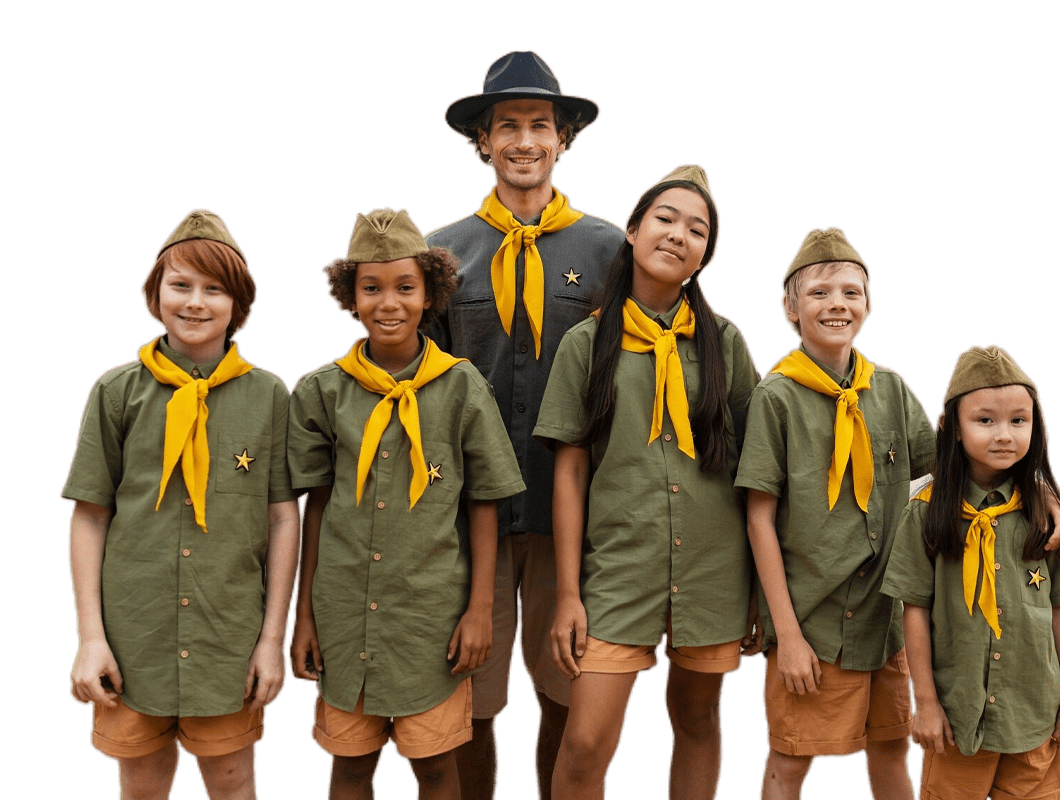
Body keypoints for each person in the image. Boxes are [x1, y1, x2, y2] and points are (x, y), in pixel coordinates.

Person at [428, 49, 625, 800]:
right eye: (505, 125)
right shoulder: (442, 254)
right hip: (465, 513)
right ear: (482, 142)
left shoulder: (609, 252)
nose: (523, 141)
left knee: (564, 689)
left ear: (562, 139)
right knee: (470, 699)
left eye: (538, 125)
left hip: (569, 512)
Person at [535, 164, 759, 800]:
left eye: (697, 229)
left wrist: (760, 591)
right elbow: (571, 471)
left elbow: (754, 466)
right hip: (618, 569)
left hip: (715, 567)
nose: (678, 235)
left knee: (697, 718)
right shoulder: (586, 344)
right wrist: (569, 593)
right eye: (665, 219)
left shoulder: (725, 343)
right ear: (631, 231)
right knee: (584, 742)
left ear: (705, 255)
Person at [288, 208, 524, 800]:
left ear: (431, 294)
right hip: (345, 618)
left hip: (432, 620)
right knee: (348, 768)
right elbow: (313, 508)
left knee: (438, 769)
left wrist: (479, 610)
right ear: (350, 296)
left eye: (404, 287)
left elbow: (484, 504)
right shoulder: (323, 391)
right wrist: (305, 616)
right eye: (371, 288)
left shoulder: (462, 386)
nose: (387, 303)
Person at [64, 209, 299, 800]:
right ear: (155, 293)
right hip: (132, 639)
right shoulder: (118, 393)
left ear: (238, 304)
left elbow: (282, 517)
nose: (195, 302)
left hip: (229, 639)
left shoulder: (269, 396)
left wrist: (272, 641)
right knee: (141, 783)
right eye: (181, 285)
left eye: (214, 289)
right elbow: (90, 515)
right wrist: (90, 638)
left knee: (232, 782)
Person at [735, 226, 933, 799]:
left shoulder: (891, 391)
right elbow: (758, 520)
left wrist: (1036, 484)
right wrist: (788, 636)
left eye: (850, 292)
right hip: (815, 622)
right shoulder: (777, 397)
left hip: (887, 620)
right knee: (792, 760)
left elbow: (946, 469)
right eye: (820, 292)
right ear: (791, 308)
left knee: (893, 749)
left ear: (868, 305)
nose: (837, 304)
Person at [882, 344, 1060, 800]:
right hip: (957, 725)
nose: (1004, 435)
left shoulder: (1046, 515)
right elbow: (914, 612)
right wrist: (927, 705)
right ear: (953, 428)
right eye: (985, 420)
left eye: (1019, 420)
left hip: (1033, 717)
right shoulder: (926, 514)